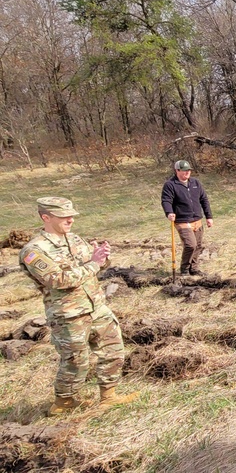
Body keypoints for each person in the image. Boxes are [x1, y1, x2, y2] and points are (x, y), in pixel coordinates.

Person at [19, 197, 137, 416]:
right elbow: (58, 280)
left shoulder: (74, 239)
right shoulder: (34, 251)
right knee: (76, 361)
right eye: (64, 216)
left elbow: (93, 268)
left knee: (113, 351)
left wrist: (103, 258)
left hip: (96, 306)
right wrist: (93, 264)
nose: (71, 220)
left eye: (72, 215)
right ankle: (63, 404)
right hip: (69, 315)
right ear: (46, 217)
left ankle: (108, 396)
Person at [161, 159, 214, 275]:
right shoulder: (170, 185)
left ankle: (194, 268)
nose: (187, 173)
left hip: (197, 219)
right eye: (184, 171)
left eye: (188, 170)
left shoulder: (195, 183)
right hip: (182, 220)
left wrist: (208, 217)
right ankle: (184, 269)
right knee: (191, 245)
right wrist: (169, 212)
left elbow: (204, 199)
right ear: (177, 171)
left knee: (198, 246)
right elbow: (166, 200)